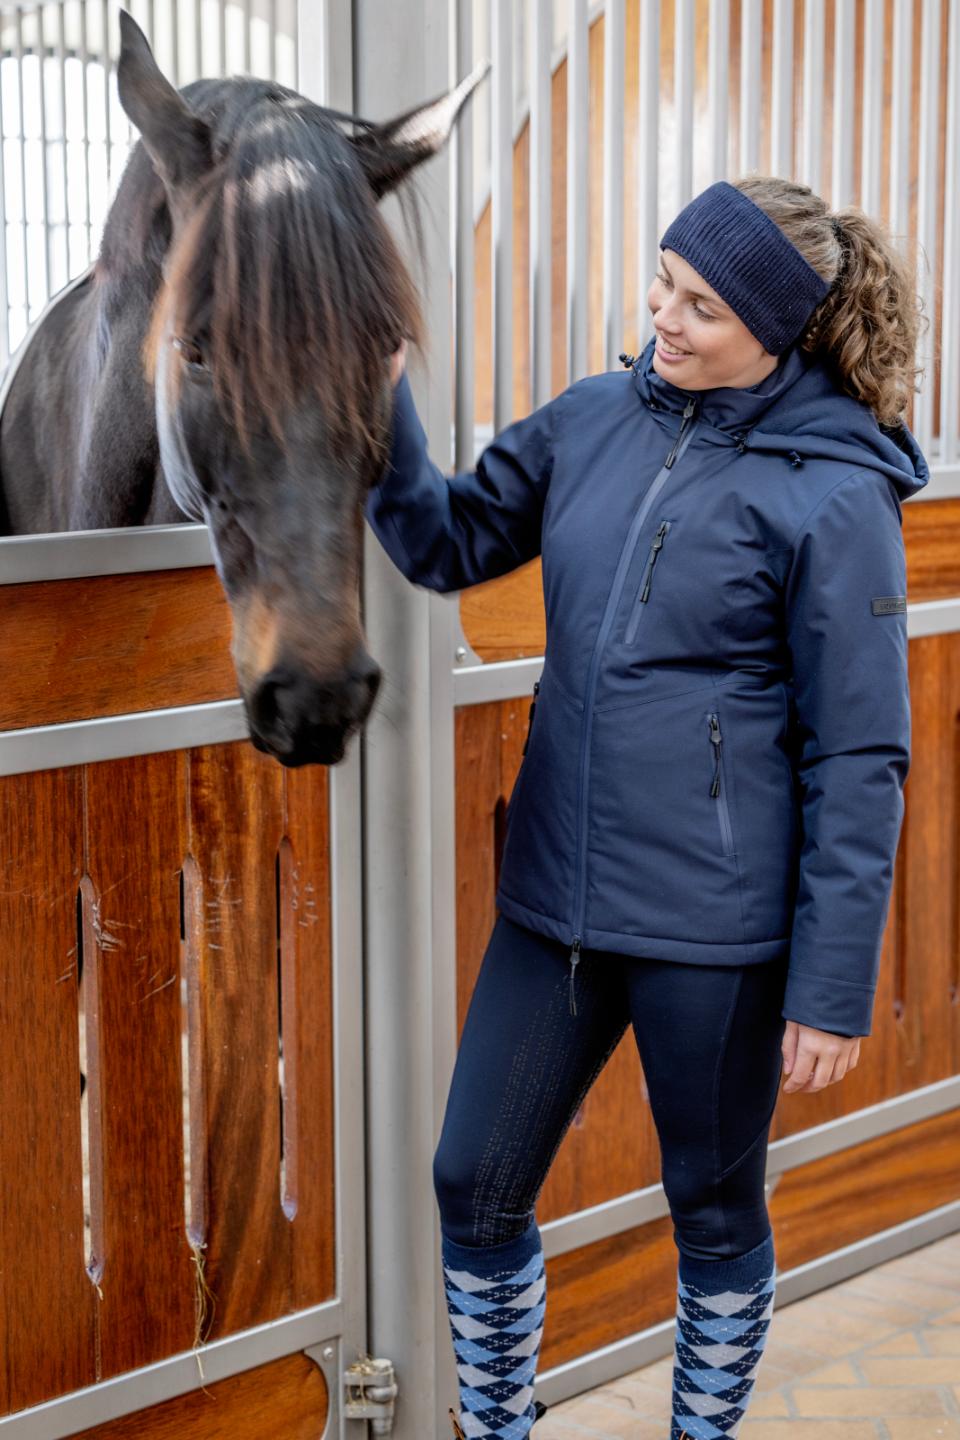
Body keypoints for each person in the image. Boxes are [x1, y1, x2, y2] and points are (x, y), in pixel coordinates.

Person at [365, 176, 929, 1440]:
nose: (664, 319)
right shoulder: (593, 420)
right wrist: (377, 392)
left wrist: (830, 985)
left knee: (713, 1212)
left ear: (776, 334)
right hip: (556, 898)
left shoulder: (835, 496)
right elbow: (443, 540)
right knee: (474, 1181)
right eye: (664, 284)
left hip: (713, 935)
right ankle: (496, 1427)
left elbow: (863, 753)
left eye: (703, 306)